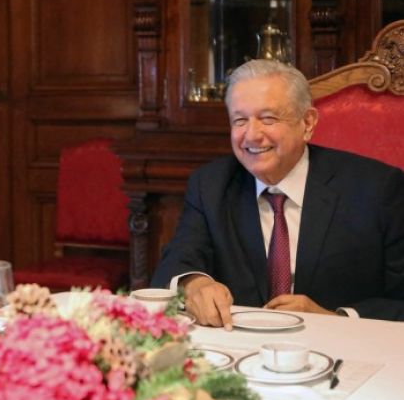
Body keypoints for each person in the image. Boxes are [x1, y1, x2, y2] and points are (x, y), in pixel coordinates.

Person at [151, 59, 404, 328]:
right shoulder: (211, 185)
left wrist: (335, 318)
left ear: (307, 123)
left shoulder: (378, 189)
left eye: (267, 118)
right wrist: (194, 284)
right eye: (240, 120)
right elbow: (176, 262)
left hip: (343, 351)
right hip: (241, 350)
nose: (251, 135)